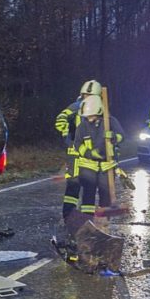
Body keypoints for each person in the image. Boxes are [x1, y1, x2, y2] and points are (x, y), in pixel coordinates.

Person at [54, 80, 102, 218]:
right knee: (73, 184)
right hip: (75, 153)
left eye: (90, 95)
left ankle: (87, 216)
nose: (87, 97)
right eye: (85, 95)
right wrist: (67, 134)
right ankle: (69, 215)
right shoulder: (76, 106)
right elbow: (61, 118)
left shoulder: (99, 109)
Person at [71, 95, 125, 219]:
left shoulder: (110, 122)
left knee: (105, 194)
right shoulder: (82, 126)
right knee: (88, 194)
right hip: (88, 166)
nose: (89, 118)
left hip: (106, 165)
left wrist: (113, 137)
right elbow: (77, 144)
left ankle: (103, 221)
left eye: (91, 116)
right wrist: (89, 153)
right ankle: (87, 219)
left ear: (99, 112)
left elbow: (122, 136)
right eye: (87, 116)